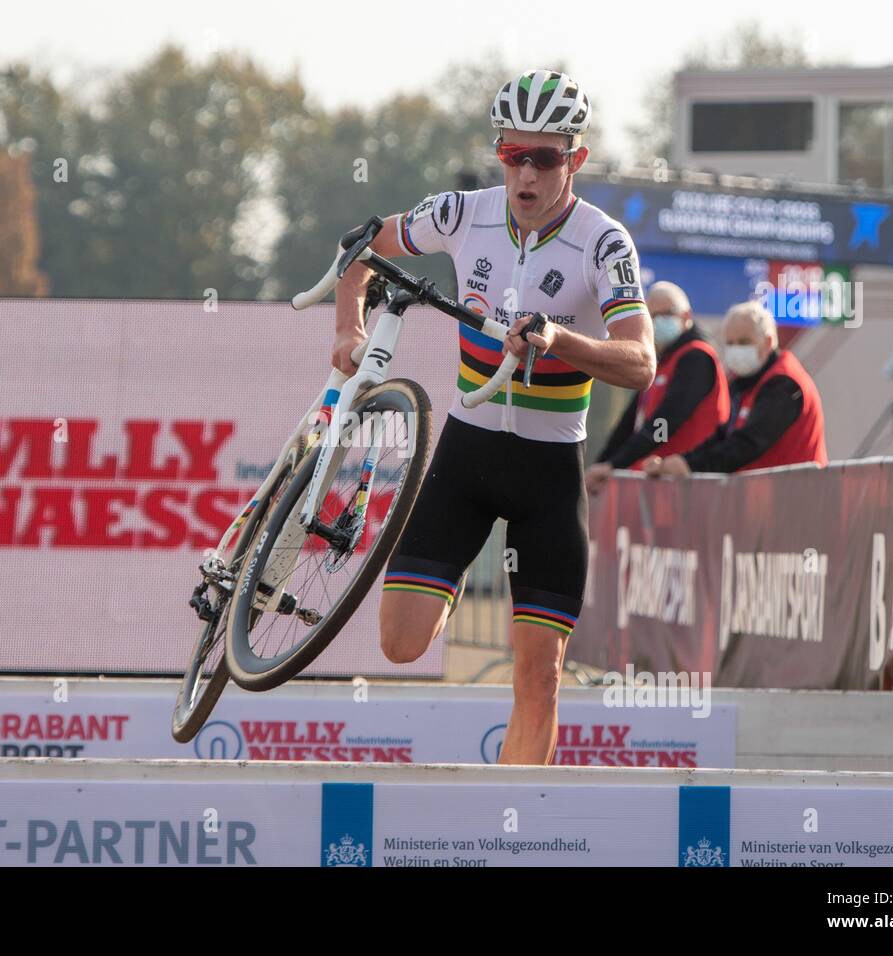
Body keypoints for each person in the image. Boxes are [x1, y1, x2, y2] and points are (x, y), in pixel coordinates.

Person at [331, 69, 655, 765]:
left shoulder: (604, 244)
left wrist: (560, 338)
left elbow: (641, 363)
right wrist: (346, 329)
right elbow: (361, 246)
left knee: (538, 675)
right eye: (514, 155)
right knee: (401, 642)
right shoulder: (462, 213)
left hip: (548, 474)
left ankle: (513, 828)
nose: (527, 173)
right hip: (466, 458)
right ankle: (442, 581)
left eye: (545, 158)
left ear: (577, 160)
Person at [643, 300, 828, 476]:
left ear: (768, 341)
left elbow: (748, 444)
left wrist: (691, 465)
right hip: (764, 500)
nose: (736, 349)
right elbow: (724, 436)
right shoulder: (744, 383)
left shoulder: (785, 383)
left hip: (799, 500)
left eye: (744, 342)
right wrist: (682, 461)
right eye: (730, 343)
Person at [586, 280, 728, 493]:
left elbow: (666, 421)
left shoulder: (697, 357)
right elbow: (631, 420)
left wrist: (616, 463)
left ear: (686, 316)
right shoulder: (663, 361)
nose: (657, 322)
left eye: (666, 314)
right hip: (658, 484)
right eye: (652, 316)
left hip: (689, 486)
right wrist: (604, 463)